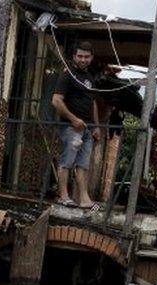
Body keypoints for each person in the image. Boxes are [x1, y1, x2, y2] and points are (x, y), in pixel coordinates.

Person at [51, 41, 101, 208]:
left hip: (87, 129)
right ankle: (64, 197)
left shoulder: (90, 78)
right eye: (80, 56)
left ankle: (85, 199)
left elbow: (92, 102)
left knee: (83, 165)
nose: (83, 59)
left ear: (91, 58)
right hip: (71, 127)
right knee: (67, 161)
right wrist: (73, 119)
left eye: (86, 57)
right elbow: (56, 101)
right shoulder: (67, 74)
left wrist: (96, 126)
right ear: (74, 57)